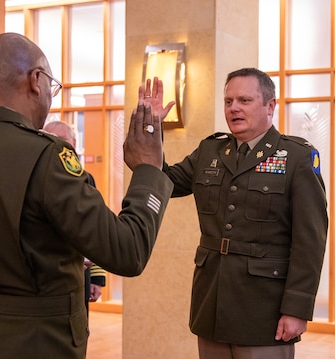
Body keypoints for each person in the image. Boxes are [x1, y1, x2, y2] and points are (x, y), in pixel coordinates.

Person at [0, 32, 173, 359]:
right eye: (51, 84)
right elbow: (126, 250)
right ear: (36, 80)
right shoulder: (47, 159)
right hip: (36, 344)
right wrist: (148, 170)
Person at [140, 69, 328, 359]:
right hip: (212, 305)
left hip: (264, 312)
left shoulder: (297, 158)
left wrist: (297, 308)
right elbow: (162, 181)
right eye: (228, 101)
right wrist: (150, 130)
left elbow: (310, 241)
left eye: (244, 100)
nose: (234, 108)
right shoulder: (210, 151)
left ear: (270, 106)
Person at [43, 120, 106, 313]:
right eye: (49, 140)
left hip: (81, 273)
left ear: (74, 144)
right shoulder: (36, 177)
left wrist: (96, 277)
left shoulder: (85, 179)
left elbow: (95, 227)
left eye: (62, 141)